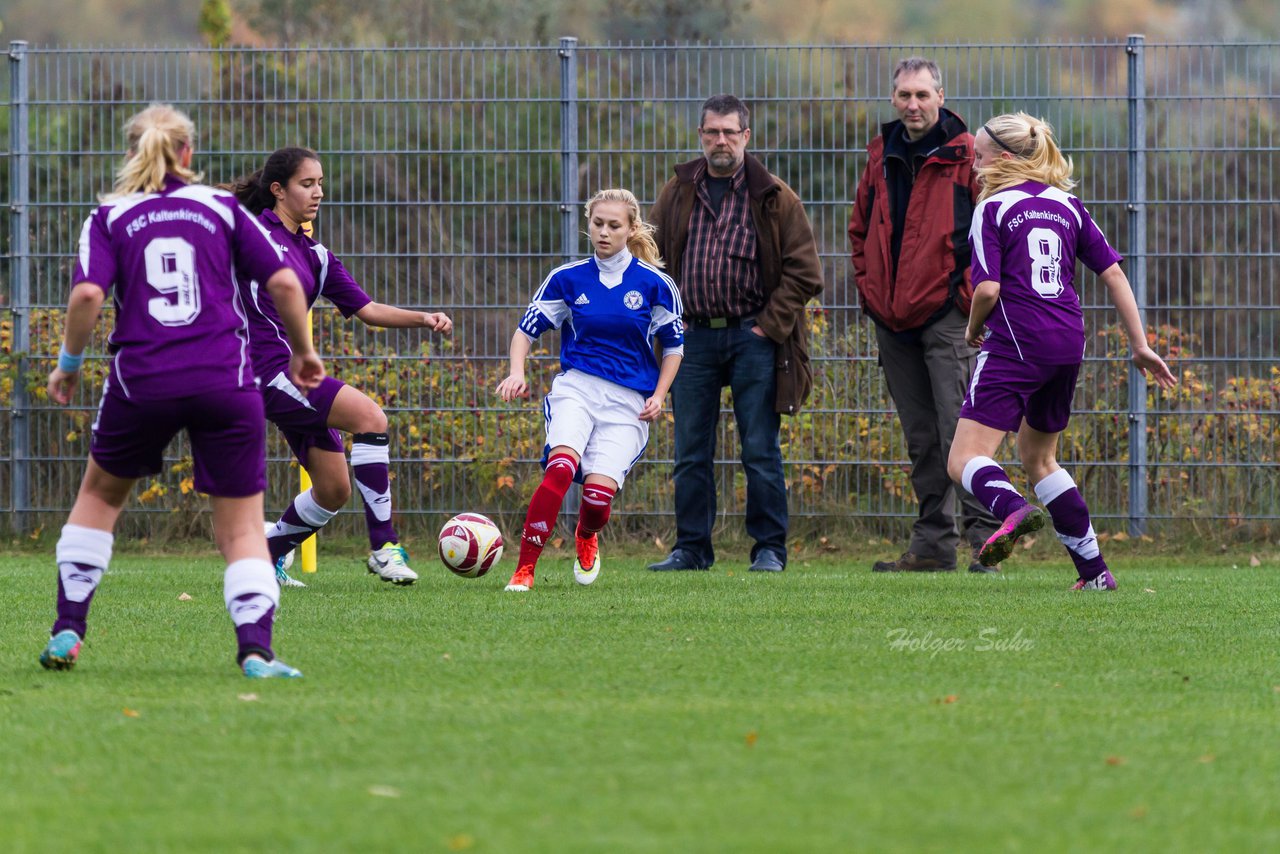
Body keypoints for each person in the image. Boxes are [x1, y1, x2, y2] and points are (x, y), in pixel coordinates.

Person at [40, 104, 323, 678]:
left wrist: (68, 364)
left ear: (132, 153)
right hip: (225, 378)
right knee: (242, 526)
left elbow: (88, 297)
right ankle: (256, 652)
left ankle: (69, 629)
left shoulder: (111, 215)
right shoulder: (220, 206)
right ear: (187, 154)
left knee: (97, 499)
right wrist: (305, 351)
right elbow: (286, 281)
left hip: (142, 381)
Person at [947, 111, 1177, 590]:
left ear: (1004, 160)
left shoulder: (991, 209)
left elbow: (987, 290)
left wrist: (973, 329)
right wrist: (1139, 344)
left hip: (1017, 342)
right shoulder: (1068, 206)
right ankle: (1094, 574)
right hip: (1067, 343)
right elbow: (1113, 273)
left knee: (964, 458)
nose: (974, 167)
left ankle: (1013, 510)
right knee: (1040, 458)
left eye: (979, 158)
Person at [229, 148, 453, 588]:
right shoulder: (251, 235)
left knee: (333, 489)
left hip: (294, 373)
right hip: (264, 371)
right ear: (277, 190)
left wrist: (423, 318)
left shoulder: (316, 255)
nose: (318, 192)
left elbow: (366, 309)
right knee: (370, 417)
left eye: (320, 183)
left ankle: (267, 553)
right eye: (306, 184)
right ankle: (384, 548)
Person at [647, 93, 824, 573]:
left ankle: (769, 549)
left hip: (754, 337)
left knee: (760, 450)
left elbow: (806, 272)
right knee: (689, 452)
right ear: (700, 136)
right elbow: (651, 262)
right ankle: (691, 550)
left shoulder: (775, 196)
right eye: (711, 132)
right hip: (692, 340)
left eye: (729, 132)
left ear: (746, 136)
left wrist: (770, 325)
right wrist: (666, 319)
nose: (720, 140)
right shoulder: (677, 192)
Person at [848, 56, 1001, 574]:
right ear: (894, 99)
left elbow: (991, 236)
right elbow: (860, 229)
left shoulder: (968, 157)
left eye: (922, 95)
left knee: (961, 430)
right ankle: (934, 544)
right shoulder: (879, 154)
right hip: (892, 317)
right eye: (904, 96)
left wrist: (965, 298)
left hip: (949, 317)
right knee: (920, 436)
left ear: (941, 96)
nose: (913, 105)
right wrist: (870, 290)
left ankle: (987, 541)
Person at [496, 188, 684, 591]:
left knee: (598, 499)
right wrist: (517, 371)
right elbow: (525, 331)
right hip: (577, 389)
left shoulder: (655, 284)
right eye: (597, 223)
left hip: (628, 402)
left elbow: (674, 347)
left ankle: (586, 533)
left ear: (630, 228)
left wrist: (660, 394)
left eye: (613, 225)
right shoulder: (567, 278)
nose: (603, 232)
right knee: (560, 469)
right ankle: (524, 569)